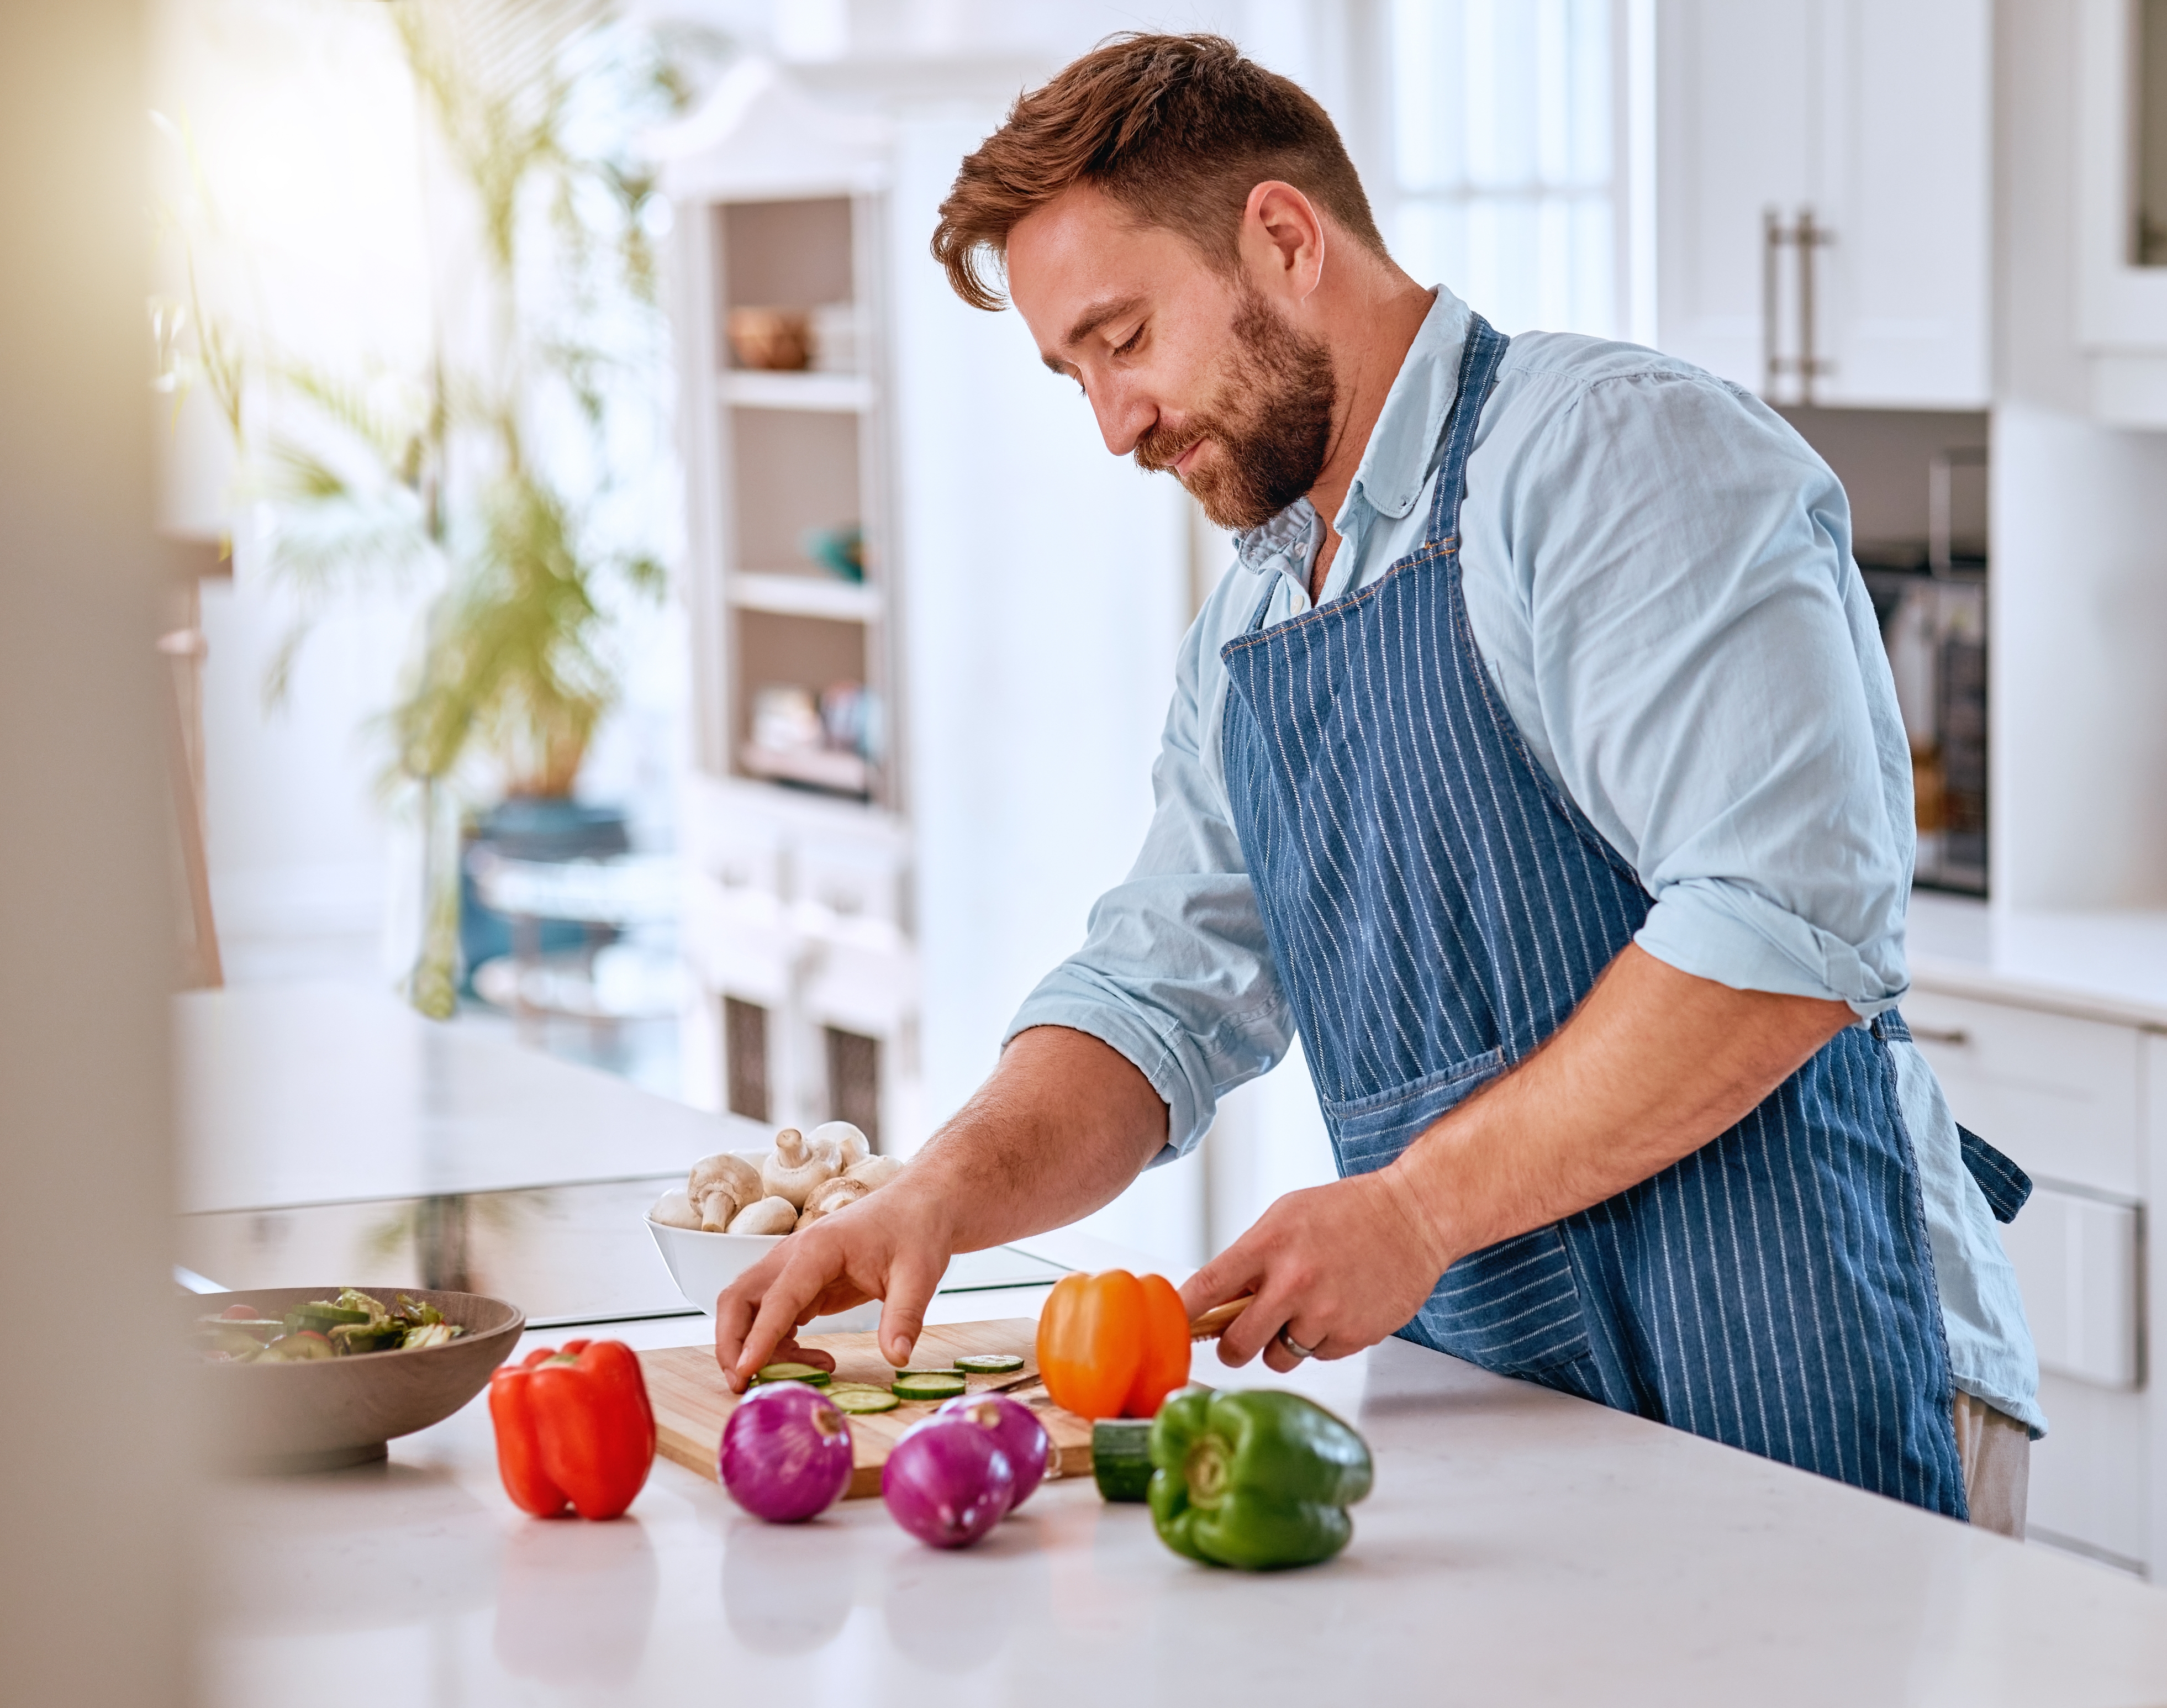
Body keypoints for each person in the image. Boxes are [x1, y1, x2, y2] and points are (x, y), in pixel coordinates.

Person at [713, 32, 2042, 1533]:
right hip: (1520, 1394)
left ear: (1281, 239)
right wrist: (933, 1196)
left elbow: (1777, 940)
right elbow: (1157, 997)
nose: (1114, 422)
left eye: (1125, 336)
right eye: (1073, 371)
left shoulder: (1609, 457)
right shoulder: (1254, 627)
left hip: (1808, 1355)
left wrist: (1410, 1210)